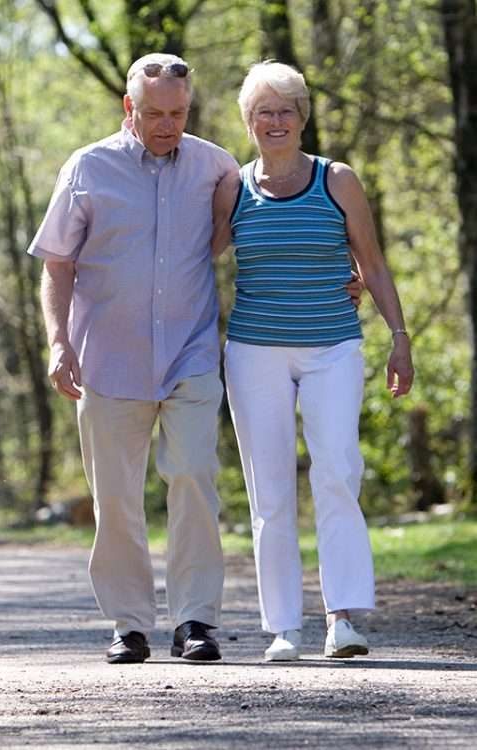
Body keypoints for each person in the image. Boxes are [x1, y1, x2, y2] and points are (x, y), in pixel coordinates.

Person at [27, 53, 240, 664]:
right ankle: (129, 623)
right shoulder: (88, 168)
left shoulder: (215, 166)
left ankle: (196, 620)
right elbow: (57, 265)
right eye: (155, 113)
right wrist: (58, 342)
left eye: (178, 112)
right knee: (116, 496)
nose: (168, 124)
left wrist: (345, 272)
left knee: (195, 478)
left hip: (190, 354)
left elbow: (261, 225)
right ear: (129, 108)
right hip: (107, 361)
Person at [212, 61, 414, 661]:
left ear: (303, 118)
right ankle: (282, 628)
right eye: (263, 112)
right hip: (253, 353)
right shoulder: (233, 187)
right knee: (269, 490)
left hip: (333, 347)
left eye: (286, 111)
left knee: (337, 471)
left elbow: (372, 264)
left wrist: (399, 336)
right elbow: (196, 258)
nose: (275, 121)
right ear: (248, 122)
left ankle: (343, 618)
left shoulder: (338, 180)